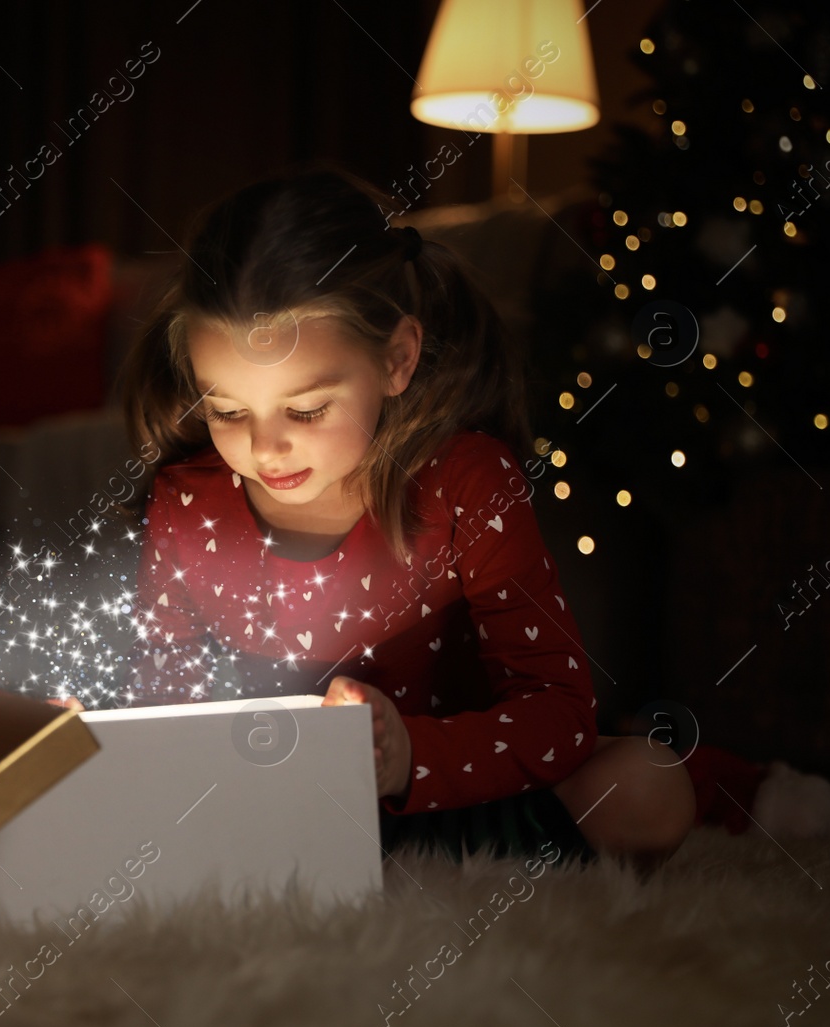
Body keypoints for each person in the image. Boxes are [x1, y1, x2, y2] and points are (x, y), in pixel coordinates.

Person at [116, 169, 696, 868]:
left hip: (451, 802)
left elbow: (560, 713)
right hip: (277, 815)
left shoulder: (465, 483)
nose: (266, 447)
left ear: (397, 359)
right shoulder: (186, 504)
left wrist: (410, 757)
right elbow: (162, 707)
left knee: (648, 786)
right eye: (228, 410)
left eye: (306, 409)